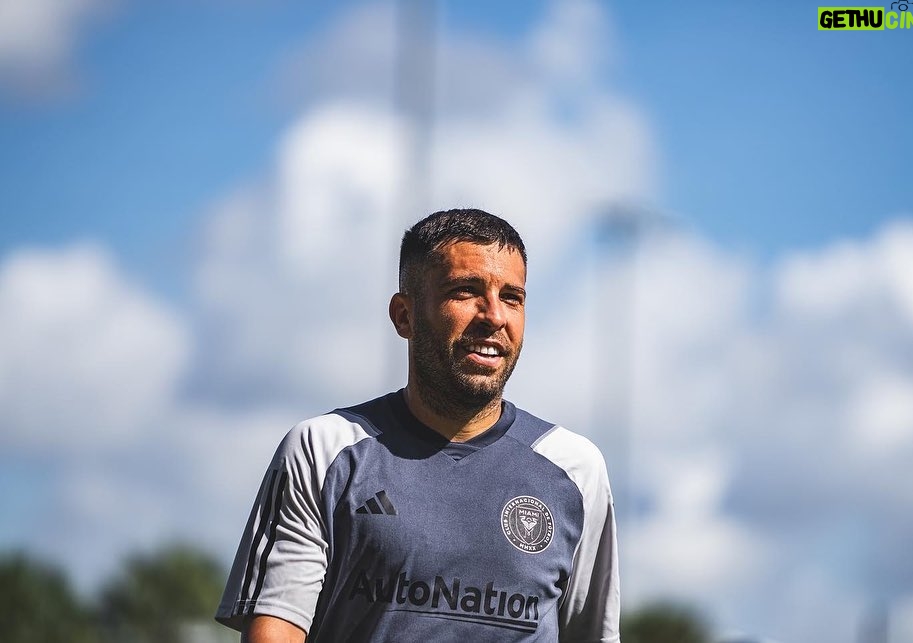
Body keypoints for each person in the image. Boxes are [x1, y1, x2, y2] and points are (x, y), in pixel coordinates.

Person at [216, 208, 620, 642]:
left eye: (512, 297)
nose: (494, 316)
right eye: (465, 292)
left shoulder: (575, 468)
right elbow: (275, 631)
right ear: (404, 316)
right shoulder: (323, 449)